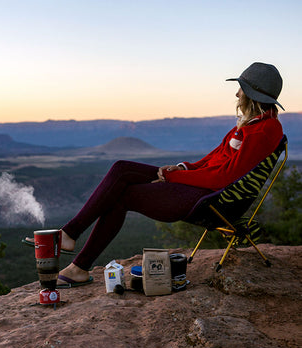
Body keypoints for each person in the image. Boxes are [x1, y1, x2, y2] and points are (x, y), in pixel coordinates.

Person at [30, 62, 285, 288]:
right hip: (200, 187)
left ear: (252, 94)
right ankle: (71, 238)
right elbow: (212, 160)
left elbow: (223, 178)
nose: (237, 93)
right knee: (121, 168)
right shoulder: (251, 124)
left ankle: (77, 262)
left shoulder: (264, 130)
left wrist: (174, 178)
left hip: (210, 200)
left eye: (241, 88)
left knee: (122, 196)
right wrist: (183, 168)